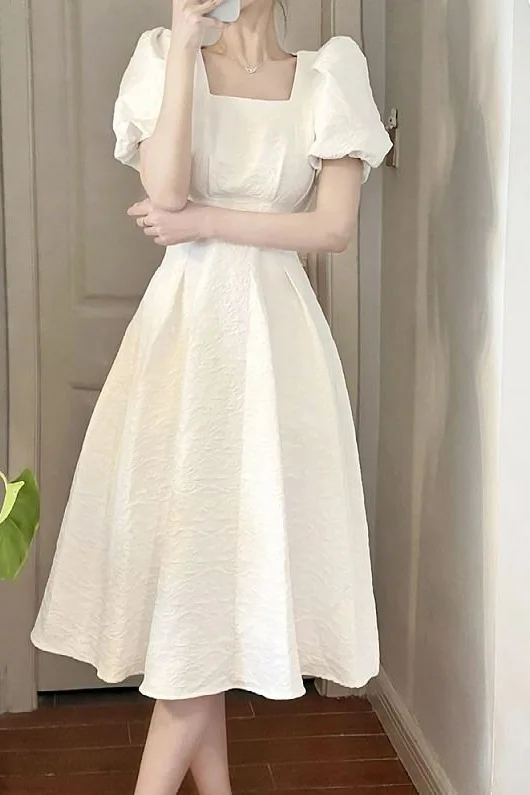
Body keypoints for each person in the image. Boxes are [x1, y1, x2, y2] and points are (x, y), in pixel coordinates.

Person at [31, 0, 392, 793]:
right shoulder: (165, 55)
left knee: (227, 570)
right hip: (185, 338)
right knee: (195, 572)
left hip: (277, 344)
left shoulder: (329, 73)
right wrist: (186, 45)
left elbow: (331, 228)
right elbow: (164, 190)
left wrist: (206, 221)